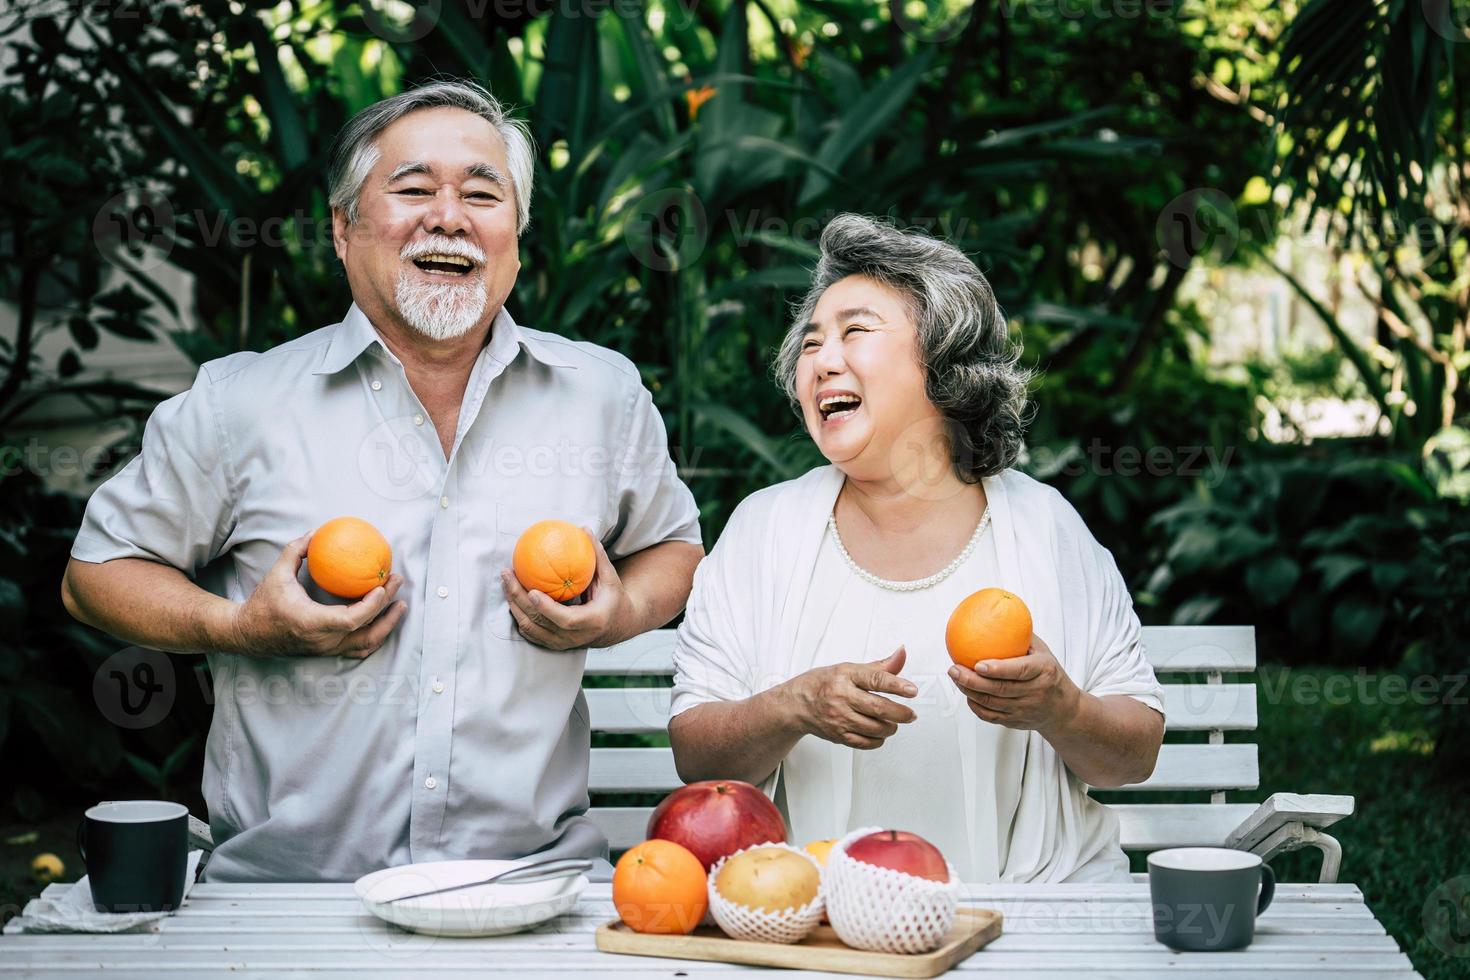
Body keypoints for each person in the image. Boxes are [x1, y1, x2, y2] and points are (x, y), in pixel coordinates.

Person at [61, 80, 703, 883]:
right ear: (342, 227)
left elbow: (673, 545)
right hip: (283, 902)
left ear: (516, 232)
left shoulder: (601, 396)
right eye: (412, 189)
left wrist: (622, 611)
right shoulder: (241, 406)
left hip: (530, 891)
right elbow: (95, 575)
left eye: (481, 192)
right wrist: (242, 630)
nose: (449, 215)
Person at [667, 214, 1164, 883]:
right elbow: (699, 762)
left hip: (1030, 927)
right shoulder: (764, 532)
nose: (821, 360)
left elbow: (1133, 757)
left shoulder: (1046, 529)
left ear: (943, 362)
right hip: (821, 929)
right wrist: (795, 705)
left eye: (855, 332)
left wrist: (1060, 707)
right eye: (811, 344)